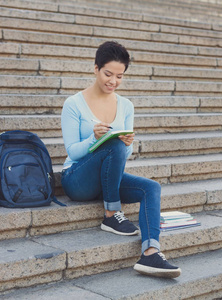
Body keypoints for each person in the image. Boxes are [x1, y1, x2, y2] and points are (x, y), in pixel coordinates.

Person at [60, 41, 181, 278]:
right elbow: (73, 152)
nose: (113, 81)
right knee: (111, 143)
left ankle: (151, 252)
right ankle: (110, 215)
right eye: (108, 74)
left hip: (108, 177)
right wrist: (94, 140)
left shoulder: (126, 105)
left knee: (151, 188)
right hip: (76, 179)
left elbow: (122, 155)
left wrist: (127, 145)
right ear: (95, 69)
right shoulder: (73, 104)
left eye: (119, 76)